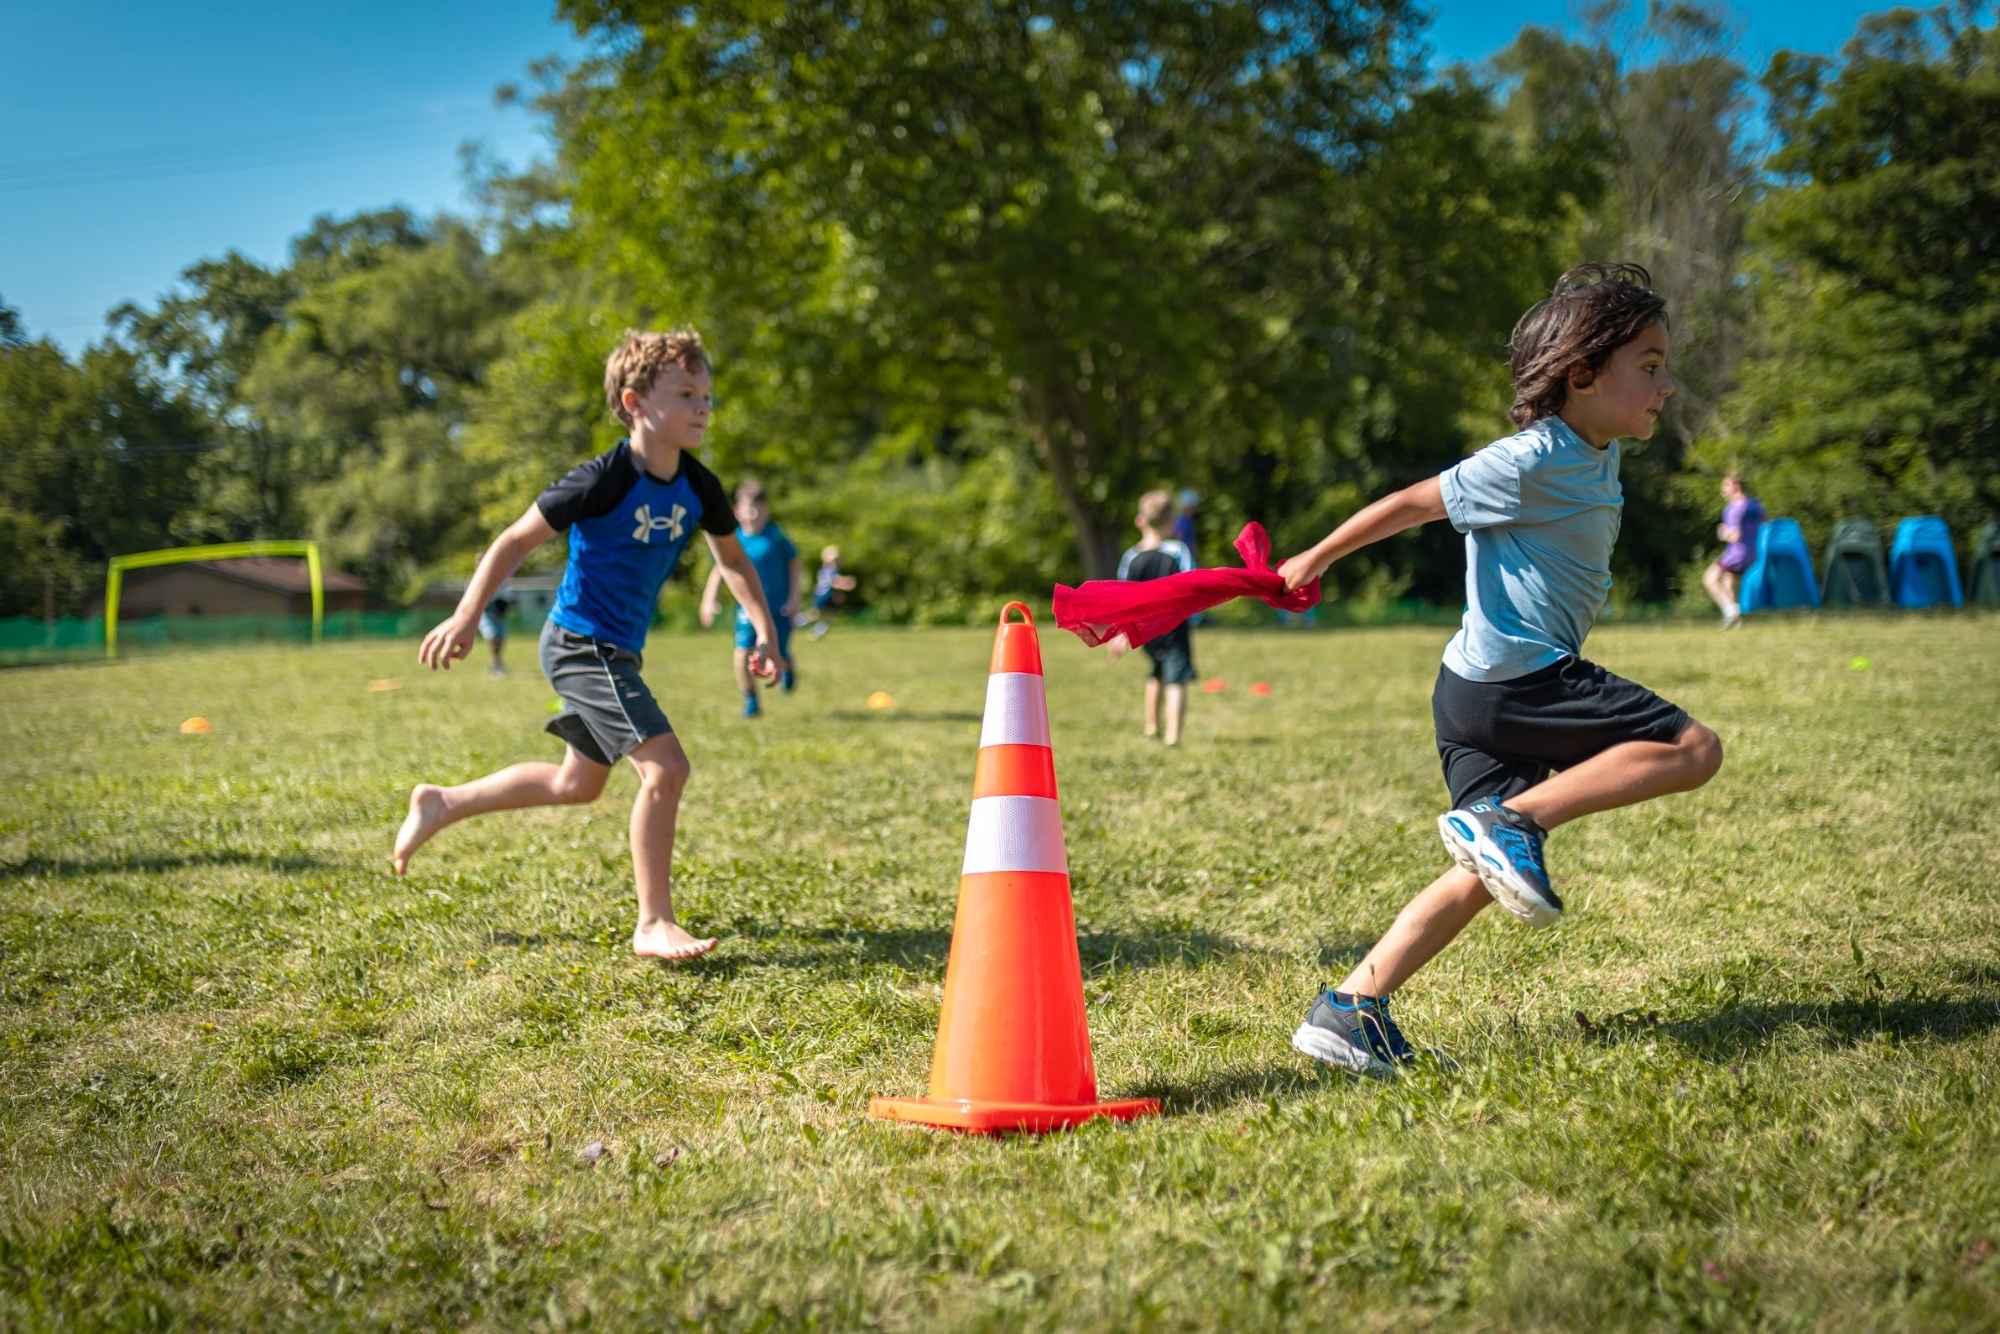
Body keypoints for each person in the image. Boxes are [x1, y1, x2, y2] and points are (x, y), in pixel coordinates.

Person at [1271, 264, 1724, 1075]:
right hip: (1519, 678)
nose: (1667, 385)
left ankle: (1351, 1008)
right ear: (1583, 376)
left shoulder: (1594, 448)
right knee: (1693, 751)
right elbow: (1415, 501)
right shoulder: (1529, 457)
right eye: (1649, 367)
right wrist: (1316, 555)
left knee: (1485, 872)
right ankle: (1514, 823)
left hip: (1478, 687)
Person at [392, 328, 781, 963]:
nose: (703, 406)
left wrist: (763, 627)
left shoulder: (700, 486)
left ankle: (443, 802)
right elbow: (515, 540)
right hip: (581, 644)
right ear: (634, 403)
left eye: (707, 394)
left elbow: (733, 559)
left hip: (616, 651)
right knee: (667, 768)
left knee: (578, 784)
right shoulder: (601, 479)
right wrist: (467, 617)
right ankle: (653, 922)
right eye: (686, 393)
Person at [699, 479, 803, 715]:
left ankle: (788, 667)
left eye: (760, 508)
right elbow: (720, 568)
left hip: (779, 607)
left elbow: (794, 564)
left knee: (780, 651)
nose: (754, 513)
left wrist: (795, 597)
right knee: (742, 653)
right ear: (737, 511)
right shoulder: (734, 539)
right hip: (747, 609)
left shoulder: (775, 536)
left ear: (767, 510)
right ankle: (751, 699)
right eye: (749, 507)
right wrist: (709, 598)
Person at [1117, 490, 1198, 745]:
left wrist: (1121, 633)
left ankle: (1152, 726)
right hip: (1174, 627)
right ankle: (1173, 735)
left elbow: (1122, 597)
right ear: (1171, 522)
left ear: (1141, 520)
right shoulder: (1177, 551)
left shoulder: (1131, 557)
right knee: (1177, 679)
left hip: (1145, 631)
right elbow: (1191, 582)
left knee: (1156, 672)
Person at [1701, 474, 1763, 629]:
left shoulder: (1734, 508)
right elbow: (1764, 524)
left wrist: (1723, 532)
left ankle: (1731, 610)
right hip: (1753, 552)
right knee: (1729, 582)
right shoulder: (1755, 505)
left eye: (1725, 486)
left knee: (1709, 579)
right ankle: (1736, 623)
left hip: (1736, 553)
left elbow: (1735, 536)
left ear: (1735, 486)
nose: (1722, 490)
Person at [805, 544, 858, 638]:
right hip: (823, 596)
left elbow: (835, 582)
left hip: (826, 595)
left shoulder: (830, 569)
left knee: (827, 615)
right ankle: (797, 621)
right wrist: (846, 583)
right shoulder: (828, 569)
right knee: (817, 614)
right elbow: (833, 582)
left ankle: (817, 632)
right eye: (835, 560)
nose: (837, 562)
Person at [478, 592, 513, 675]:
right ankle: (496, 663)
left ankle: (497, 662)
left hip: (500, 608)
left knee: (501, 637)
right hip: (487, 607)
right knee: (493, 636)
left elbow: (507, 593)